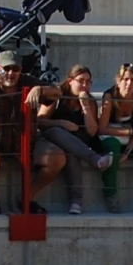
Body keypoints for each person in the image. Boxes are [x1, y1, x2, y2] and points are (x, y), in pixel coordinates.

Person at [0, 52, 63, 216]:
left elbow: (57, 92)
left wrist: (39, 89)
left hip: (27, 141)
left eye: (15, 69)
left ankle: (27, 197)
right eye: (6, 69)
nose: (11, 73)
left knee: (57, 157)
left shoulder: (28, 81)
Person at [37, 65, 108, 214]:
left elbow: (92, 131)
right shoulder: (57, 95)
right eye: (81, 81)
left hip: (75, 143)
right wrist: (60, 123)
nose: (85, 85)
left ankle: (76, 202)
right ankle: (94, 159)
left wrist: (85, 107)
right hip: (52, 136)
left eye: (88, 82)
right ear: (70, 81)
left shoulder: (90, 101)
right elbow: (40, 121)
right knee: (57, 131)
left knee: (71, 152)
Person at [96, 62, 133, 214]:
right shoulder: (109, 96)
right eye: (125, 79)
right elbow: (102, 128)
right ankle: (110, 195)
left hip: (131, 139)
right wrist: (129, 132)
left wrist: (128, 151)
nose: (129, 84)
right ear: (118, 80)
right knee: (113, 149)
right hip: (111, 135)